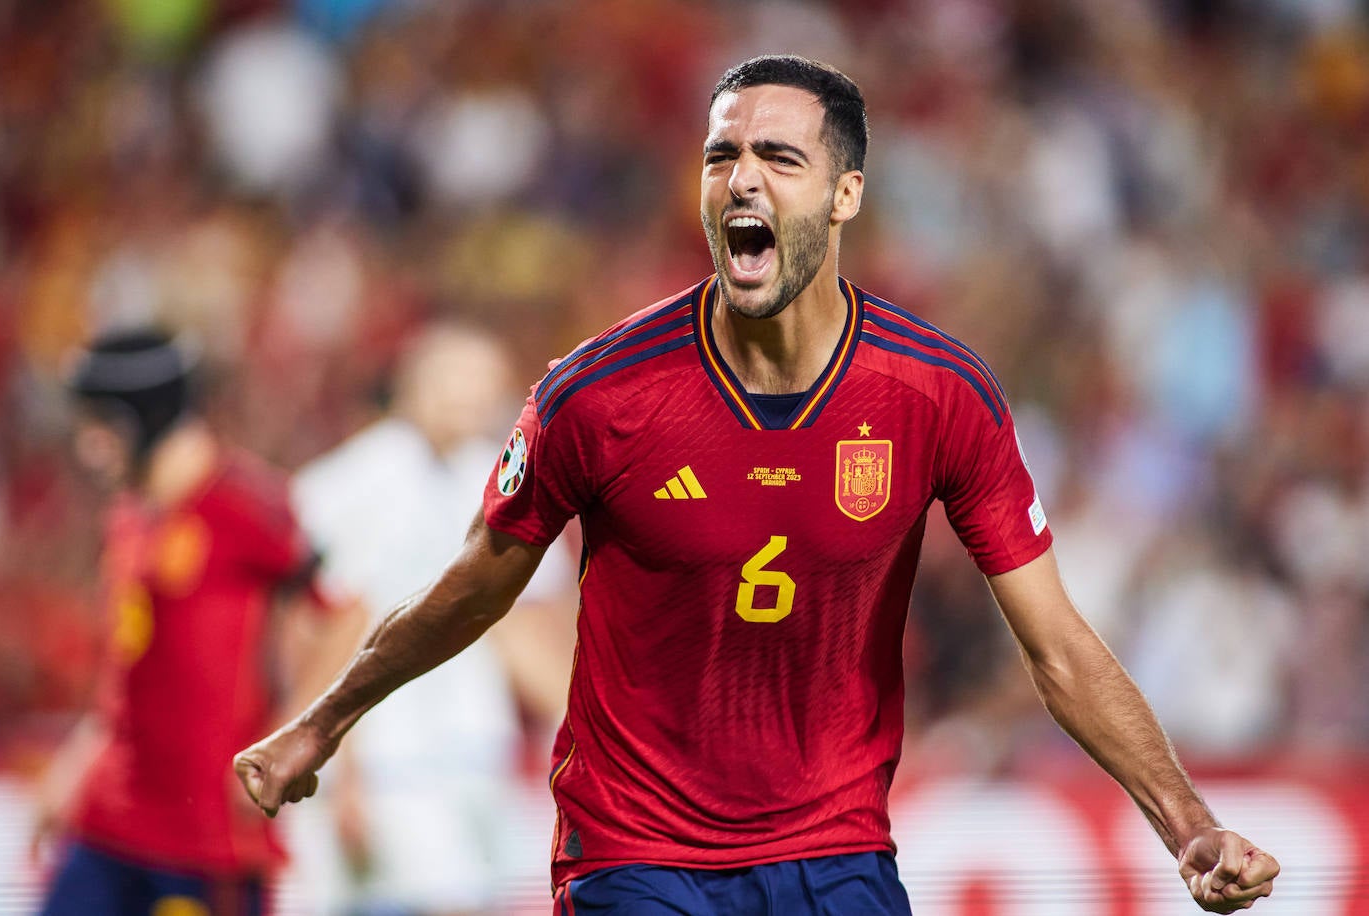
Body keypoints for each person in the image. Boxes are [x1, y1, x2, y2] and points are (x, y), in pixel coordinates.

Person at [234, 55, 1281, 915]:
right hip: (636, 857)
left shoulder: (937, 394)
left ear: (845, 194)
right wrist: (323, 723)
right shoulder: (596, 396)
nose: (741, 178)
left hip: (836, 851)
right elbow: (472, 587)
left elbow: (1058, 647)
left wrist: (1187, 827)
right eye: (721, 154)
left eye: (779, 156)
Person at [32, 328, 358, 916]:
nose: (88, 447)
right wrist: (77, 763)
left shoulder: (248, 505)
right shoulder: (130, 511)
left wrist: (296, 733)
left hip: (207, 837)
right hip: (107, 818)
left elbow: (346, 617)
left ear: (145, 418)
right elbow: (130, 664)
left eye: (100, 427)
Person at [285, 322, 577, 916]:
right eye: (456, 379)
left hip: (472, 751)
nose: (471, 396)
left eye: (485, 382)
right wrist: (336, 764)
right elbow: (324, 635)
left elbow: (518, 632)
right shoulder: (348, 486)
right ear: (413, 384)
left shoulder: (504, 478)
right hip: (388, 763)